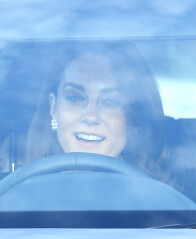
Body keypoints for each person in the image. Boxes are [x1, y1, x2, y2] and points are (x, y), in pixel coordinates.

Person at [25, 41, 167, 180]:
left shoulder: (160, 201)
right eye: (74, 98)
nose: (91, 116)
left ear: (132, 116)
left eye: (110, 101)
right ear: (54, 107)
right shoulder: (18, 197)